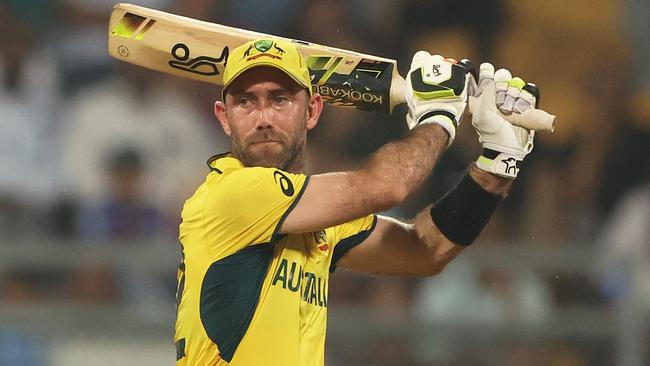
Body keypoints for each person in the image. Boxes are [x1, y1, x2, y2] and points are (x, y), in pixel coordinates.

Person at [173, 38, 543, 365]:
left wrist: (497, 163)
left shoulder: (312, 214)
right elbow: (389, 185)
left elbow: (424, 251)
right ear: (224, 117)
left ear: (313, 111)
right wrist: (440, 115)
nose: (263, 118)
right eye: (245, 102)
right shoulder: (232, 193)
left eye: (280, 99)